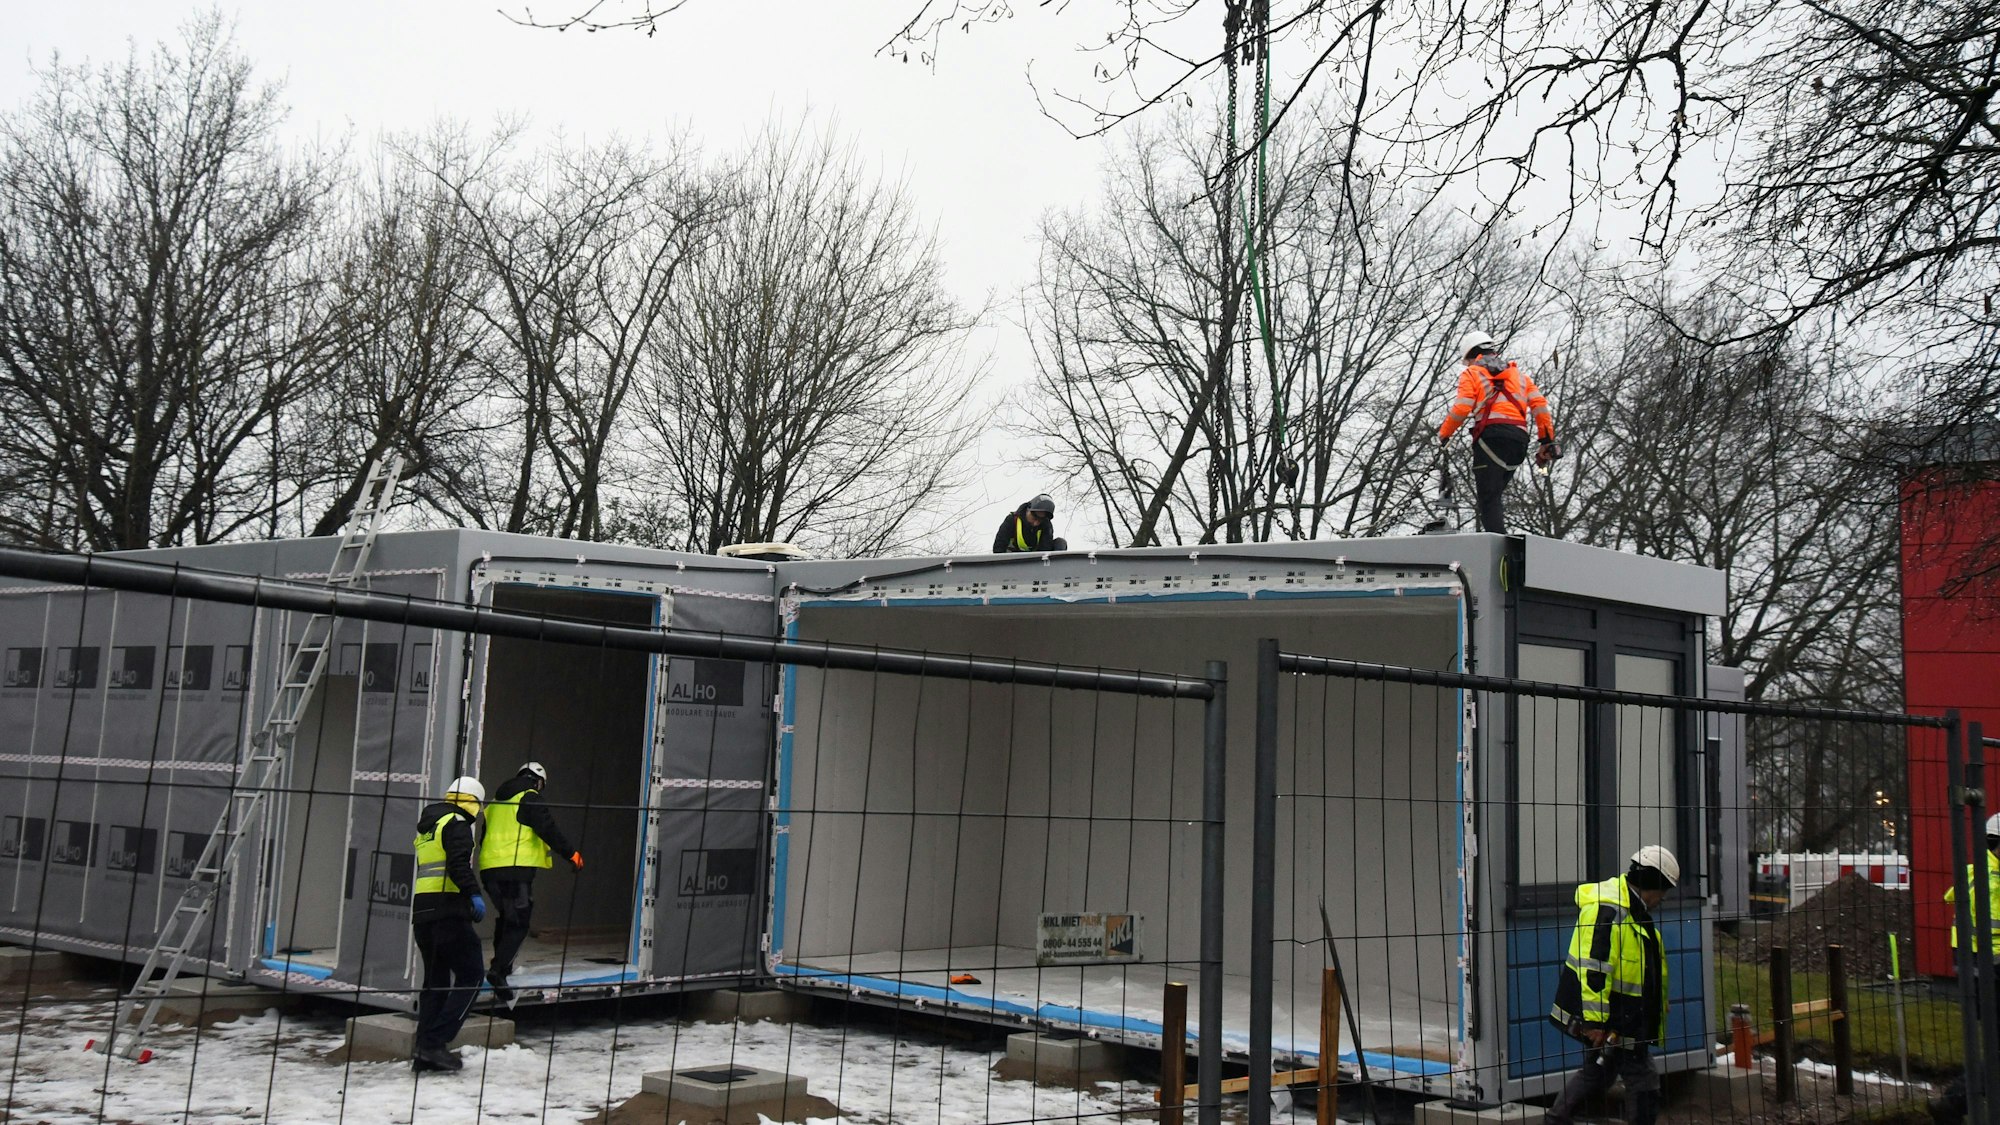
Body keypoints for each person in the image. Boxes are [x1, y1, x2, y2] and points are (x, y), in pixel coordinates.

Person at [1545, 845, 1680, 1125]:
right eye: (1663, 888)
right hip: (1613, 1017)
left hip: (1622, 1015)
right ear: (1651, 883)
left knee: (1600, 1071)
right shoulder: (1610, 910)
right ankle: (1557, 1120)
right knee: (1642, 1079)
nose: (1663, 897)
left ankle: (1558, 1119)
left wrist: (1655, 1002)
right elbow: (1594, 968)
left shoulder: (1631, 909)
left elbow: (1638, 966)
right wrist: (1595, 1021)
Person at [478, 761, 582, 1008]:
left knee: (507, 917)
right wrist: (571, 854)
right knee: (519, 921)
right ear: (537, 780)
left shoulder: (495, 803)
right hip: (515, 870)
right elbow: (547, 828)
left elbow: (484, 837)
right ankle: (498, 971)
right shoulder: (529, 797)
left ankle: (503, 966)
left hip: (490, 870)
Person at [1438, 331, 1559, 533]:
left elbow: (1462, 407)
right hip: (1519, 442)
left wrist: (1444, 434)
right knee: (1494, 496)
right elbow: (1540, 406)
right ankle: (1500, 539)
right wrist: (1546, 440)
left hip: (1491, 440)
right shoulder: (1521, 377)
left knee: (1488, 499)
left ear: (1471, 355)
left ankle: (1499, 548)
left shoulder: (1472, 373)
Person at [411, 775, 487, 1073]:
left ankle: (423, 1051)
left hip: (423, 913)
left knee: (436, 983)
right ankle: (435, 1043)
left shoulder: (428, 827)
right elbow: (457, 865)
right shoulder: (457, 824)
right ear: (472, 801)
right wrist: (474, 894)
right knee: (472, 976)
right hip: (448, 911)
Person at [1931, 813, 2000, 1122]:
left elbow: (1950, 897)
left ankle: (1955, 1102)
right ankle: (1954, 1102)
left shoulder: (1975, 872)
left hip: (1976, 974)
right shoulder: (1992, 884)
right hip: (1991, 976)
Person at [992, 494, 1067, 553]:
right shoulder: (1012, 520)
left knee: (1060, 543)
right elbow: (998, 548)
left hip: (1035, 563)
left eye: (1040, 520)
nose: (1036, 523)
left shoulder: (1046, 525)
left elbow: (1045, 549)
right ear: (1028, 510)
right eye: (1034, 518)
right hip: (1013, 561)